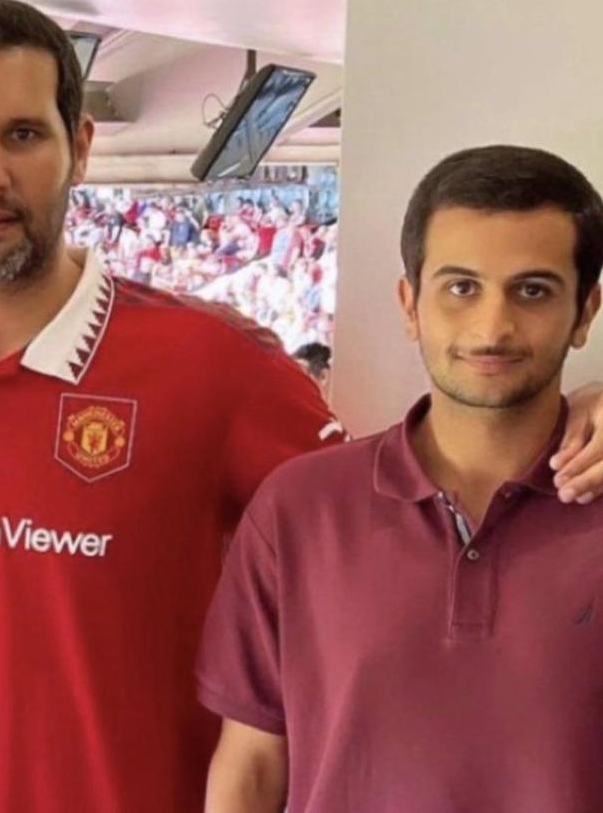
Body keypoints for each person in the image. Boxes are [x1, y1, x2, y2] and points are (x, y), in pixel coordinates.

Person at [0, 0, 348, 813]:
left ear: (79, 147)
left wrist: (568, 419)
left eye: (23, 135)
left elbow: (394, 534)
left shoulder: (215, 365)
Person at [198, 145, 603, 812]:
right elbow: (251, 767)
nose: (493, 327)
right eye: (461, 288)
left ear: (585, 311)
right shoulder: (299, 509)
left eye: (532, 290)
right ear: (410, 304)